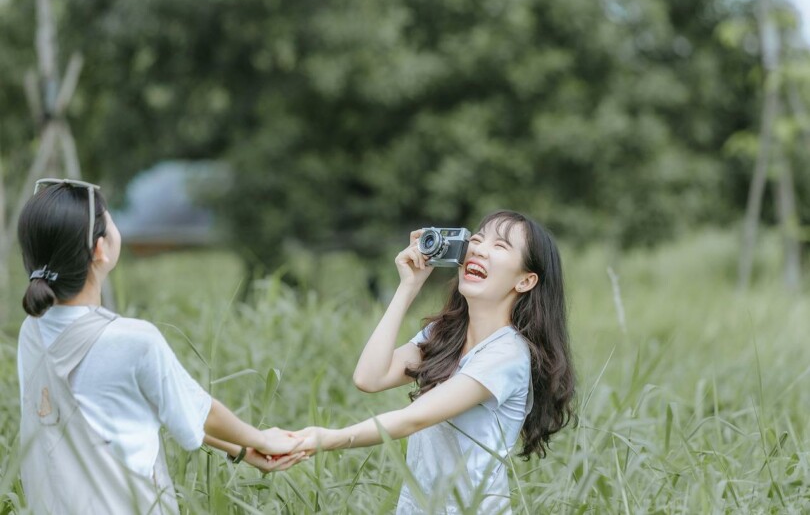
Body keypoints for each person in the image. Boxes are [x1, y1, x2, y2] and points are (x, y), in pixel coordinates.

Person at [16, 178, 305, 515]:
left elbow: (168, 406)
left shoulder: (31, 332)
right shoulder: (132, 339)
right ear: (100, 249)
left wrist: (241, 449)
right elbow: (204, 412)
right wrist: (262, 439)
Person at [296, 210, 576, 514]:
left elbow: (412, 418)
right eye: (478, 239)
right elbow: (370, 378)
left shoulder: (507, 355)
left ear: (525, 280)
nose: (479, 248)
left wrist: (324, 439)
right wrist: (408, 287)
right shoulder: (446, 334)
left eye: (500, 246)